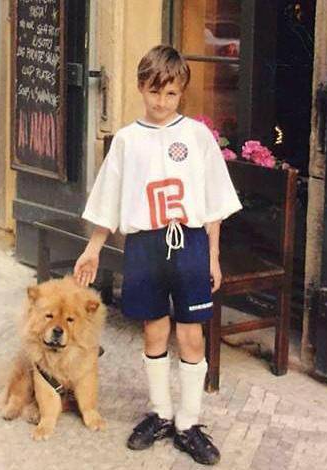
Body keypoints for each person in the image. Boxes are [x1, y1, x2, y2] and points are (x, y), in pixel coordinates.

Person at [73, 45, 241, 466]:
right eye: (153, 92)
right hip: (146, 245)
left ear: (181, 92)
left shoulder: (197, 136)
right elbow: (108, 199)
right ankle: (161, 413)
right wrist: (93, 248)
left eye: (170, 94)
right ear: (140, 88)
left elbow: (215, 201)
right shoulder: (127, 141)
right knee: (153, 329)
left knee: (190, 334)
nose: (161, 102)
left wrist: (214, 257)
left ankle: (188, 421)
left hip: (190, 244)